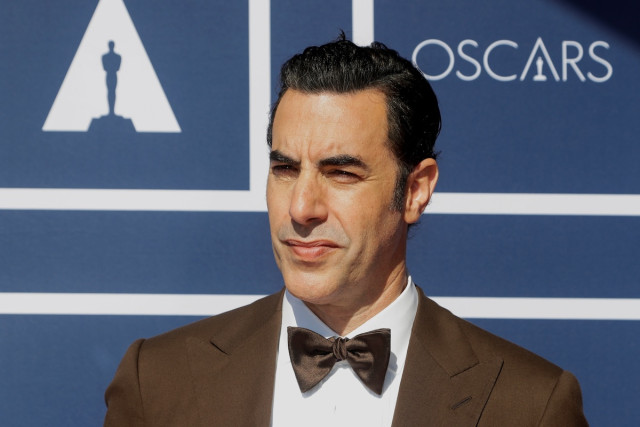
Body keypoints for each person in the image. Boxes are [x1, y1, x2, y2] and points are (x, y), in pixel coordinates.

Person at [104, 35, 588, 426]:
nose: (301, 208)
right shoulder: (158, 380)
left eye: (341, 173)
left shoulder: (528, 405)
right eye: (285, 169)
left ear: (415, 190)